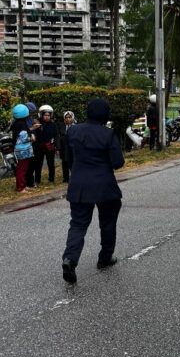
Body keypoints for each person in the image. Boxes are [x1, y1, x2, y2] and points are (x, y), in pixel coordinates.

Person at [61, 98, 125, 284]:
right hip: (104, 185)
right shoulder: (108, 134)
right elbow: (118, 162)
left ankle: (70, 259)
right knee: (108, 223)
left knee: (78, 224)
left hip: (79, 184)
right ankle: (105, 257)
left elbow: (68, 158)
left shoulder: (73, 131)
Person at [10, 104, 35, 193]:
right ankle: (21, 187)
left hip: (19, 148)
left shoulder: (16, 123)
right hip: (23, 149)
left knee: (22, 168)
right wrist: (31, 138)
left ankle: (23, 185)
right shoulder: (22, 124)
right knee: (22, 169)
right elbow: (24, 137)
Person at [33, 105, 57, 184]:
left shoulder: (53, 125)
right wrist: (35, 128)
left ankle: (51, 179)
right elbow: (33, 134)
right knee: (38, 165)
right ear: (41, 115)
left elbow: (56, 136)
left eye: (48, 115)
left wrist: (56, 146)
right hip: (39, 147)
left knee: (51, 164)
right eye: (45, 115)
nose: (47, 117)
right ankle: (37, 180)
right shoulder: (37, 124)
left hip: (50, 147)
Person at [24, 102, 40, 187]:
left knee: (33, 163)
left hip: (33, 143)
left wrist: (35, 124)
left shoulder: (30, 118)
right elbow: (23, 131)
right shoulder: (22, 119)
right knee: (28, 164)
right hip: (26, 144)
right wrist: (33, 127)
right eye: (31, 112)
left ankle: (30, 182)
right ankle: (28, 183)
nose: (32, 114)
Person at [57, 111, 75, 183]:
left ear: (72, 117)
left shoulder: (76, 127)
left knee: (74, 162)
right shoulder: (61, 126)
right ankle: (66, 178)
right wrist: (58, 148)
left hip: (74, 148)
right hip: (64, 147)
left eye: (69, 117)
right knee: (65, 163)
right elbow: (58, 138)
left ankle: (74, 177)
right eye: (66, 117)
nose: (68, 119)